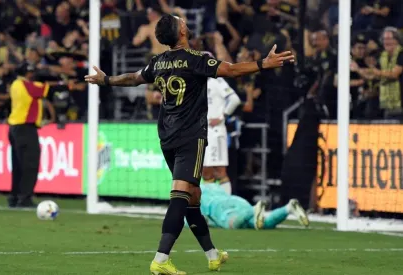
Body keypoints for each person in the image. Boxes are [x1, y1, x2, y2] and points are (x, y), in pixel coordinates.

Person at [85, 13, 295, 275]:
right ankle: (161, 259)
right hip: (190, 136)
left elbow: (133, 77)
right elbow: (230, 69)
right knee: (181, 196)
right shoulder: (196, 59)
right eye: (181, 20)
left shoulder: (158, 62)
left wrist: (106, 80)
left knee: (194, 196)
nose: (184, 20)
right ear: (181, 31)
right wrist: (264, 63)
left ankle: (213, 255)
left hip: (167, 136)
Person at [7, 63, 49, 208]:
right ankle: (25, 198)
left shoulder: (15, 85)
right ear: (27, 73)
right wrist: (68, 85)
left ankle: (14, 197)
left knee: (18, 165)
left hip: (15, 128)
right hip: (25, 128)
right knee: (30, 165)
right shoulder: (27, 86)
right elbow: (45, 90)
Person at [194, 183, 309, 230]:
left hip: (219, 208)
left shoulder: (193, 196)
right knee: (263, 224)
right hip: (237, 201)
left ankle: (254, 210)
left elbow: (194, 220)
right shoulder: (213, 186)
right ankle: (288, 208)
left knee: (232, 223)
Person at [202, 61, 241, 195]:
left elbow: (235, 99)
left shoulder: (217, 81)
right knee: (205, 173)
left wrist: (222, 116)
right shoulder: (197, 82)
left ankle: (227, 205)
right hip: (202, 132)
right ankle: (211, 205)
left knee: (220, 171)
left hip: (216, 132)